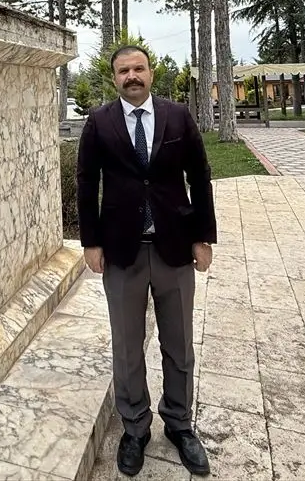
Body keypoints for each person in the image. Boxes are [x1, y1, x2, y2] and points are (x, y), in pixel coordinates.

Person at [76, 44, 216, 477]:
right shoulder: (99, 122)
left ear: (151, 73)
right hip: (122, 252)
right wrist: (91, 243)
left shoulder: (177, 116)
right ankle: (135, 427)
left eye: (138, 68)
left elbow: (201, 176)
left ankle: (179, 424)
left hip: (174, 247)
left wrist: (204, 237)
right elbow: (86, 182)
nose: (131, 76)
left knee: (179, 344)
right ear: (114, 78)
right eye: (123, 71)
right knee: (127, 346)